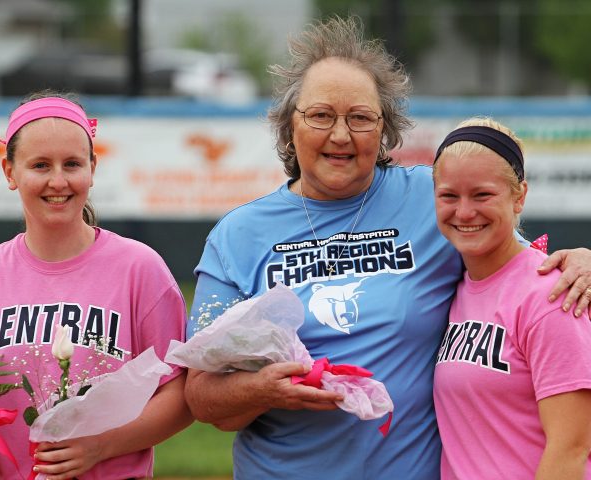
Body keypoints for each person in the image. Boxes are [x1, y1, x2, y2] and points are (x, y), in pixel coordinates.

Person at [183, 16, 591, 480]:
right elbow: (202, 398)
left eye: (360, 118)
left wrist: (584, 261)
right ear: (289, 125)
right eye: (321, 116)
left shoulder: (431, 199)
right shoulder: (237, 236)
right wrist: (263, 389)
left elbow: (518, 265)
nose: (340, 135)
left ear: (385, 129)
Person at [0, 91, 193, 480]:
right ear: (10, 172)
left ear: (93, 169)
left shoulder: (140, 269)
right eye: (40, 165)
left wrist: (101, 447)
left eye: (73, 164)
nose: (58, 181)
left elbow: (182, 395)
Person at [432, 118, 591, 479]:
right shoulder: (451, 289)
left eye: (482, 194)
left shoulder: (552, 296)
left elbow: (571, 450)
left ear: (519, 195)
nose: (465, 211)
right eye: (449, 196)